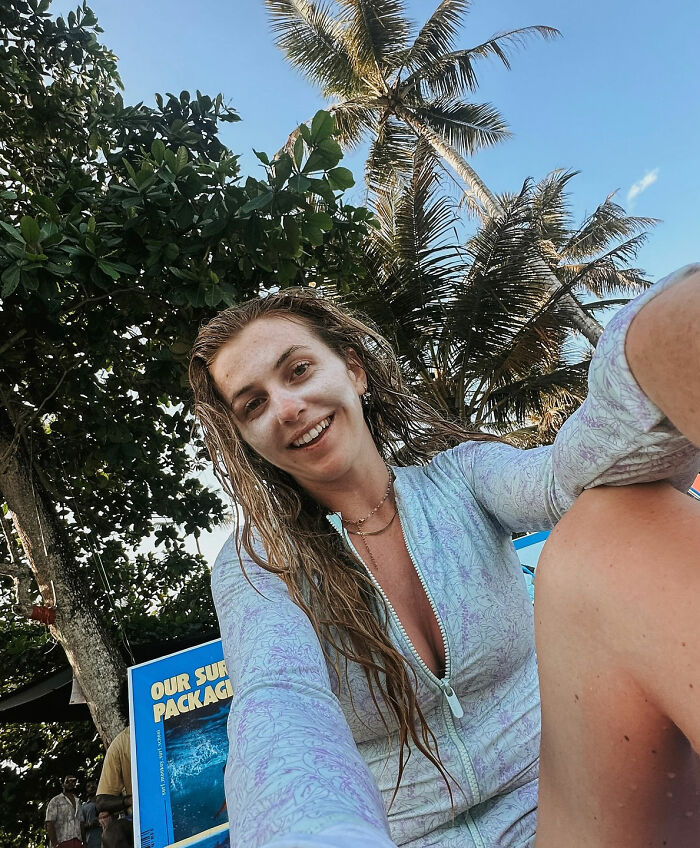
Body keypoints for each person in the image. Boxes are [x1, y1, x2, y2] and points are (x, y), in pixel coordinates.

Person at [189, 265, 700, 848]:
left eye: (298, 370)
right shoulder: (258, 560)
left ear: (354, 371)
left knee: (615, 522)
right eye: (253, 405)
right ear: (247, 439)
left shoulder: (462, 475)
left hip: (575, 806)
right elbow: (279, 699)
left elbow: (566, 480)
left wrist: (648, 349)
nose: (286, 407)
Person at [96, 682, 132, 819]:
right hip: (141, 818)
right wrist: (130, 800)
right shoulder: (120, 744)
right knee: (115, 830)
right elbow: (101, 802)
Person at [45, 775, 84, 848]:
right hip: (61, 841)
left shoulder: (78, 802)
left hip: (77, 841)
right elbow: (49, 823)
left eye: (73, 781)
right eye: (67, 781)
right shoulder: (55, 801)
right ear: (62, 785)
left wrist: (84, 842)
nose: (70, 783)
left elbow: (81, 823)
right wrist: (55, 844)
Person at [81, 781, 101, 848]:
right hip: (91, 842)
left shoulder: (105, 802)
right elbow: (80, 826)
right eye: (88, 786)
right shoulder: (83, 807)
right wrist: (90, 824)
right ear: (86, 791)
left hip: (108, 840)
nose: (92, 786)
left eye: (93, 784)